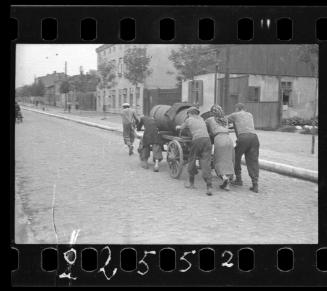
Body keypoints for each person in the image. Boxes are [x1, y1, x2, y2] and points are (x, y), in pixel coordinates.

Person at [176, 107, 213, 196]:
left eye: (188, 114)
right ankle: (209, 186)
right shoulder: (202, 119)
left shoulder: (189, 119)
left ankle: (191, 183)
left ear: (190, 113)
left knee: (192, 159)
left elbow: (181, 127)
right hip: (207, 141)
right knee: (206, 162)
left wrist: (177, 127)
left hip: (197, 140)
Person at [226, 103, 260, 193]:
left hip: (243, 138)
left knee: (236, 157)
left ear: (237, 108)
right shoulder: (250, 114)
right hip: (254, 138)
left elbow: (223, 120)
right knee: (253, 161)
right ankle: (255, 184)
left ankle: (238, 179)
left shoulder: (235, 114)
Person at [205, 105, 235, 191]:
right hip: (229, 139)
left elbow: (203, 127)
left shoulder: (210, 119)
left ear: (212, 112)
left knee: (218, 160)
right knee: (229, 161)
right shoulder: (225, 119)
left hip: (219, 139)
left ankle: (224, 177)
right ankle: (227, 184)